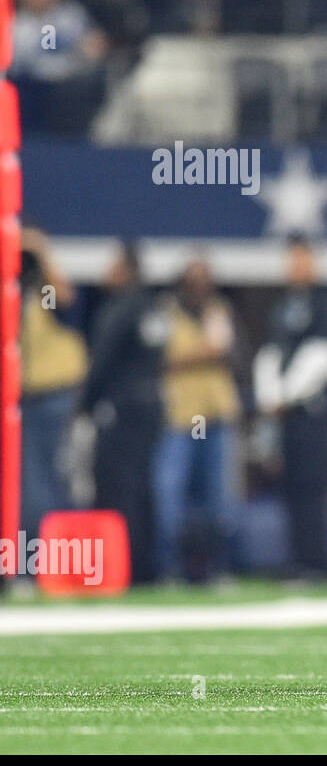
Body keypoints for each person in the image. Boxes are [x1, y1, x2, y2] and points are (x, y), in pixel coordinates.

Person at [253, 236, 327, 580]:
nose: (297, 267)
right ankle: (295, 561)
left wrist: (286, 396)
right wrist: (269, 396)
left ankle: (316, 563)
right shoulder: (282, 306)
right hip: (285, 418)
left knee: (312, 488)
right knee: (290, 488)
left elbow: (326, 357)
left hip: (312, 414)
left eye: (303, 260)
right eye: (292, 261)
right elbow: (271, 353)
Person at [79, 242, 168, 584]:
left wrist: (85, 404)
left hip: (121, 408)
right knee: (144, 486)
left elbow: (102, 363)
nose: (107, 274)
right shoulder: (154, 308)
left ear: (128, 269)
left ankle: (122, 566)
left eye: (113, 266)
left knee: (118, 486)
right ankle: (147, 567)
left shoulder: (119, 310)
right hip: (152, 405)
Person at [153, 258, 240, 582]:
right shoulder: (165, 312)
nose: (200, 286)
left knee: (218, 500)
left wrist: (210, 351)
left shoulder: (220, 310)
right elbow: (157, 358)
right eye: (194, 280)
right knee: (169, 497)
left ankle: (217, 568)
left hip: (215, 415)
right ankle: (169, 568)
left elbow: (234, 353)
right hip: (179, 416)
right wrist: (204, 351)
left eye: (205, 279)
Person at [18, 227, 87, 537]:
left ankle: (50, 555)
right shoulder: (15, 292)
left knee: (49, 476)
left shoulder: (45, 295)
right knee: (30, 478)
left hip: (54, 395)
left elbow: (66, 300)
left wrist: (41, 252)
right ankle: (38, 556)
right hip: (23, 397)